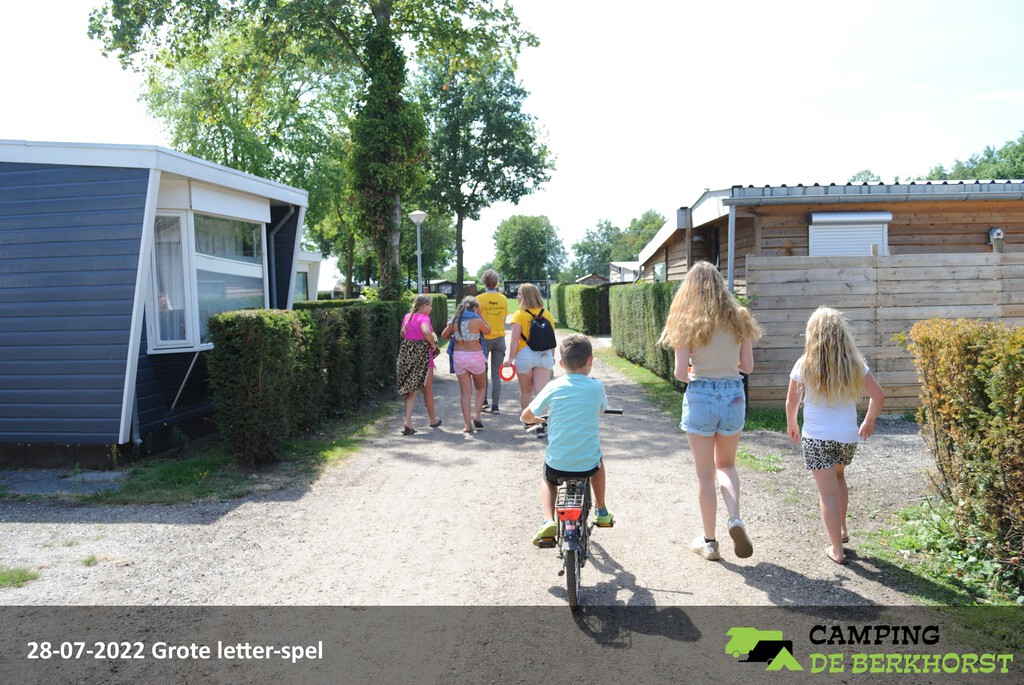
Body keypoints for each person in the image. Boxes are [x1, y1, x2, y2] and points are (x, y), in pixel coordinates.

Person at [657, 261, 763, 561]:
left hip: (701, 394)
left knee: (705, 475)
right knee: (726, 465)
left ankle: (710, 542)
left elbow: (680, 373)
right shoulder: (740, 316)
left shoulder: (687, 320)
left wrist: (697, 371)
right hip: (733, 395)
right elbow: (747, 367)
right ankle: (735, 518)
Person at [786, 306, 885, 565]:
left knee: (826, 494)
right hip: (846, 436)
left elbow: (791, 401)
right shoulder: (855, 363)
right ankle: (841, 530)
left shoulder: (804, 362)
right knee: (839, 476)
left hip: (817, 437)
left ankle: (837, 550)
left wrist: (792, 423)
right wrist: (868, 421)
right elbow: (878, 396)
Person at [521, 334, 613, 545]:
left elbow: (526, 416)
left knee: (547, 478)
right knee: (599, 461)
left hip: (558, 465)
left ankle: (548, 520)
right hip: (588, 465)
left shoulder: (553, 386)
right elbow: (601, 410)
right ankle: (601, 510)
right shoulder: (597, 387)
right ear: (590, 360)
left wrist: (536, 419)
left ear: (561, 363)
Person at [502, 283, 556, 436]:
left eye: (519, 294)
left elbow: (514, 339)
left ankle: (528, 421)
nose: (517, 296)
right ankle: (542, 426)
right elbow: (551, 339)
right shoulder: (547, 314)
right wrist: (552, 356)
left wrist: (510, 358)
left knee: (526, 391)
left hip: (525, 355)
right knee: (542, 393)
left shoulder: (519, 314)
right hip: (544, 354)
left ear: (525, 296)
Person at [441, 296, 491, 433]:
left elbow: (444, 335)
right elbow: (488, 330)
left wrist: (454, 332)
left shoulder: (455, 320)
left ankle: (467, 426)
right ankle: (477, 416)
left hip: (459, 356)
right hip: (475, 356)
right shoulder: (477, 320)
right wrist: (480, 315)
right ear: (475, 308)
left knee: (465, 393)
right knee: (481, 387)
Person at [396, 295, 441, 435]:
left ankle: (407, 421)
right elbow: (426, 331)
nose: (431, 308)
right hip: (424, 358)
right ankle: (432, 419)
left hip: (408, 357)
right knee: (427, 390)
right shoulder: (424, 317)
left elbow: (403, 334)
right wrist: (433, 345)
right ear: (424, 306)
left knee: (411, 390)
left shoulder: (407, 316)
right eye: (430, 305)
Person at [476, 269, 509, 414]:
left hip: (484, 339)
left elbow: (476, 320)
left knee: (483, 371)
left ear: (484, 281)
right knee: (496, 374)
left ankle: (484, 402)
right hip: (499, 339)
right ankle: (495, 406)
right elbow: (503, 320)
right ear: (497, 282)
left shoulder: (479, 299)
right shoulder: (503, 299)